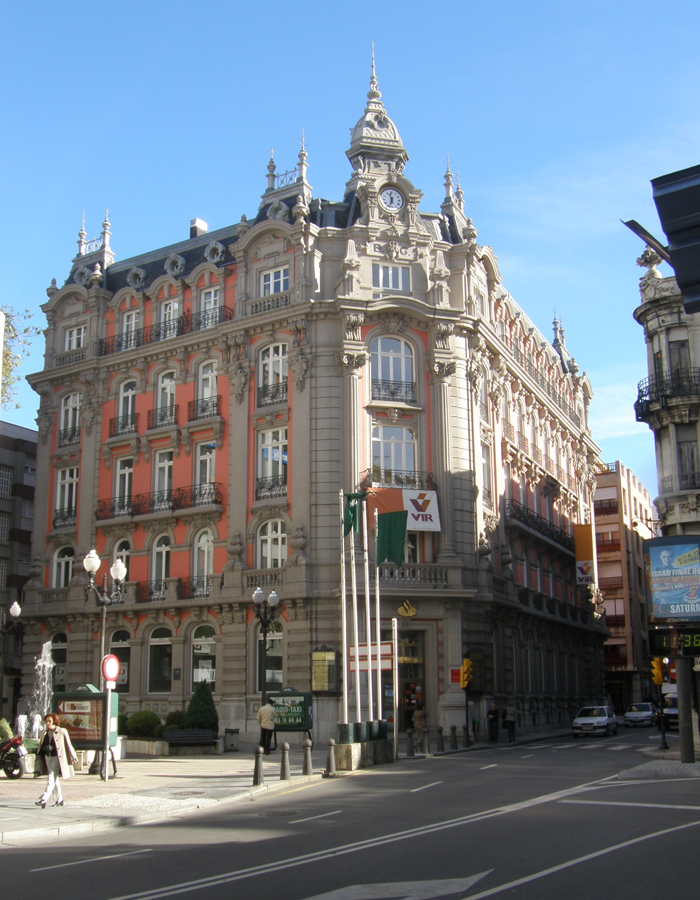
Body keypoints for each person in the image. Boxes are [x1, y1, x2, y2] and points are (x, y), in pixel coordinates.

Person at [36, 713, 78, 808]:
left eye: (50, 721)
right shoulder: (45, 732)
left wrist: (73, 756)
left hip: (57, 757)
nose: (48, 723)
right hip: (48, 757)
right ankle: (59, 799)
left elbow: (68, 744)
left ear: (55, 721)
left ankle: (44, 799)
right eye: (46, 721)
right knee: (55, 779)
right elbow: (41, 745)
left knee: (51, 777)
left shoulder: (62, 731)